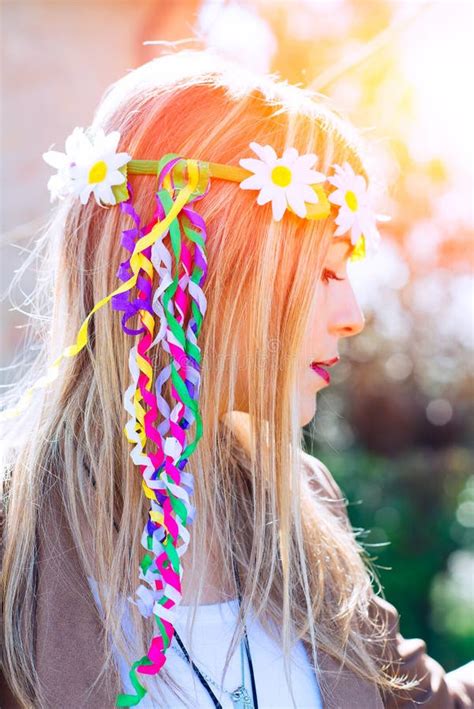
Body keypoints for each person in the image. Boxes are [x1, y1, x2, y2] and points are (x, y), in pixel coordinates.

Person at [1, 48, 473, 709]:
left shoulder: (300, 503)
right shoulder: (14, 535)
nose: (353, 315)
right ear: (198, 265)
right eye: (326, 271)